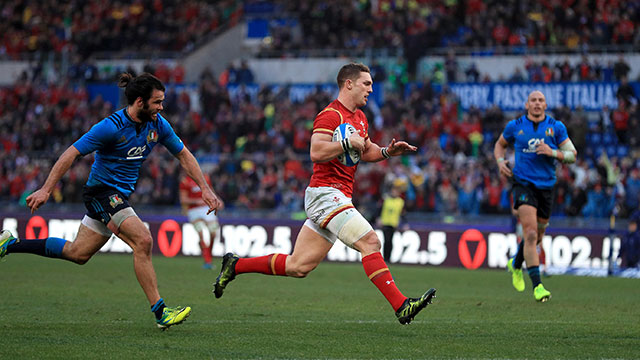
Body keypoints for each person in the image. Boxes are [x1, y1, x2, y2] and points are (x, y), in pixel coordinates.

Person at [212, 63, 436, 324]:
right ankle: (401, 305)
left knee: (299, 266)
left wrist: (387, 152)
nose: (371, 89)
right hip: (325, 194)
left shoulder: (360, 118)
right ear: (348, 84)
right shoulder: (330, 115)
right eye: (367, 84)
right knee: (371, 242)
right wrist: (344, 143)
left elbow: (366, 149)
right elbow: (316, 152)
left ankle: (235, 265)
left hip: (337, 197)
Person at [0, 73, 222, 329]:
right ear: (140, 101)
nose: (162, 107)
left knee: (78, 253)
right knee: (144, 240)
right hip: (101, 193)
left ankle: (10, 243)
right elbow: (71, 153)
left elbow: (183, 155)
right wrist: (46, 190)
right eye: (157, 102)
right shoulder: (110, 126)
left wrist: (204, 188)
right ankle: (161, 313)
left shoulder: (158, 124)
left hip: (117, 197)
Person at [494, 90, 577, 302]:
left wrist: (553, 153)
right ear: (527, 104)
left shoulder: (556, 128)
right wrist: (500, 161)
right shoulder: (515, 126)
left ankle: (515, 263)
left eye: (541, 100)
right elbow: (499, 145)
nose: (537, 103)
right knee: (530, 234)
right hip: (523, 185)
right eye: (533, 100)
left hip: (547, 188)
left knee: (537, 238)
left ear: (545, 105)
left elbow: (572, 155)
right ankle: (538, 286)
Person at [179, 171, 223, 269]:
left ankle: (208, 255)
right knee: (201, 232)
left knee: (213, 232)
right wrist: (196, 201)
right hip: (193, 210)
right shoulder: (185, 181)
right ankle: (207, 261)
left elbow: (211, 191)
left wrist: (218, 200)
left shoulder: (205, 178)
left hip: (206, 208)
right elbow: (183, 199)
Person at [379, 186, 405, 263]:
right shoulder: (386, 200)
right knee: (386, 240)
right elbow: (380, 209)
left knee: (390, 241)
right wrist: (379, 218)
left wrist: (404, 223)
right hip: (385, 223)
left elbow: (403, 213)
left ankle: (388, 258)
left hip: (393, 224)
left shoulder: (400, 202)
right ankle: (386, 258)